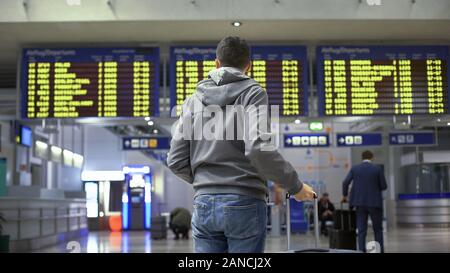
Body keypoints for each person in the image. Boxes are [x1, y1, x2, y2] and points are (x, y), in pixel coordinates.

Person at [167, 36, 316, 253]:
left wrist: (206, 181)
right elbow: (257, 148)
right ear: (249, 66)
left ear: (216, 64)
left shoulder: (193, 100)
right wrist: (296, 187)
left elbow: (175, 160)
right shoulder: (253, 92)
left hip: (204, 203)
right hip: (245, 201)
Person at [342, 150, 387, 253]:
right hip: (375, 203)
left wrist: (344, 195)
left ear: (362, 158)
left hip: (359, 203)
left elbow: (345, 182)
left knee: (361, 229)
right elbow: (384, 186)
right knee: (377, 229)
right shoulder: (377, 169)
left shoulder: (355, 169)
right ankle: (379, 250)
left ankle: (361, 250)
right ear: (372, 157)